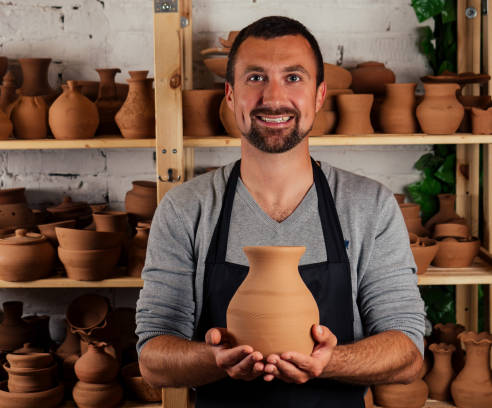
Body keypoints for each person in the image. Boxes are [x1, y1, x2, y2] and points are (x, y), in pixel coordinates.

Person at [135, 15, 426, 407]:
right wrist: (216, 360)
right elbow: (153, 358)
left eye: (293, 77)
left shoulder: (369, 206)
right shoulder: (186, 209)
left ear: (319, 95)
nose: (273, 98)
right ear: (230, 94)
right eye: (255, 78)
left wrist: (329, 361)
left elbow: (408, 350)